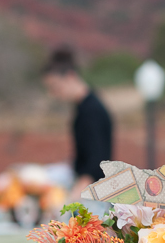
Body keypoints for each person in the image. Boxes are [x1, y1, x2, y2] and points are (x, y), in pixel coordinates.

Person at [42, 48, 113, 198]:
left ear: (70, 76)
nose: (54, 94)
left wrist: (72, 198)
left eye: (55, 87)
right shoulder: (83, 108)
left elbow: (97, 160)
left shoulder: (92, 110)